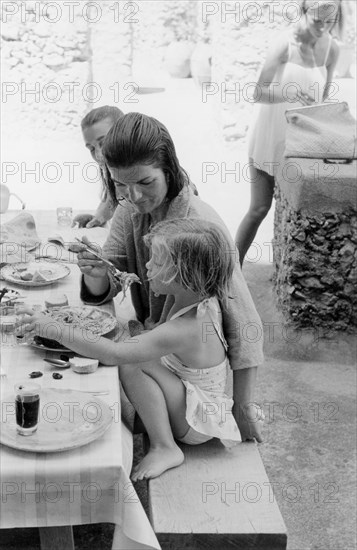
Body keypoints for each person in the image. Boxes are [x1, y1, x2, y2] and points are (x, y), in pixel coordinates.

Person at [18, 219, 265, 479]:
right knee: (111, 375)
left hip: (197, 422)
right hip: (191, 402)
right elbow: (146, 341)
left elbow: (116, 354)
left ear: (184, 274)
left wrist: (53, 328)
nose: (147, 265)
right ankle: (149, 426)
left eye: (157, 262)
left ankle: (165, 447)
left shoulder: (188, 326)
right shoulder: (192, 298)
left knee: (130, 362)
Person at [74, 112, 264, 442]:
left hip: (184, 376)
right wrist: (96, 272)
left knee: (102, 390)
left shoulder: (199, 225)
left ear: (169, 169)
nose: (134, 197)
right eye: (121, 185)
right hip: (161, 357)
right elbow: (109, 280)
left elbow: (244, 317)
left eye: (146, 183)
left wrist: (244, 406)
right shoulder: (127, 209)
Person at [235, 0, 343, 265]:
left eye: (329, 22)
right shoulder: (283, 44)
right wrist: (288, 92)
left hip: (300, 142)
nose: (322, 28)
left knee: (298, 211)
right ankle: (229, 273)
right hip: (270, 135)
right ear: (304, 12)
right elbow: (256, 92)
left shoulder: (332, 49)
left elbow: (323, 98)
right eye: (317, 21)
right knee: (259, 208)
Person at [73, 105, 124, 228]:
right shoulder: (113, 173)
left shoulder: (144, 172)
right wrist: (97, 219)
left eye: (104, 142)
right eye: (91, 148)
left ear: (124, 133)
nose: (98, 155)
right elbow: (111, 201)